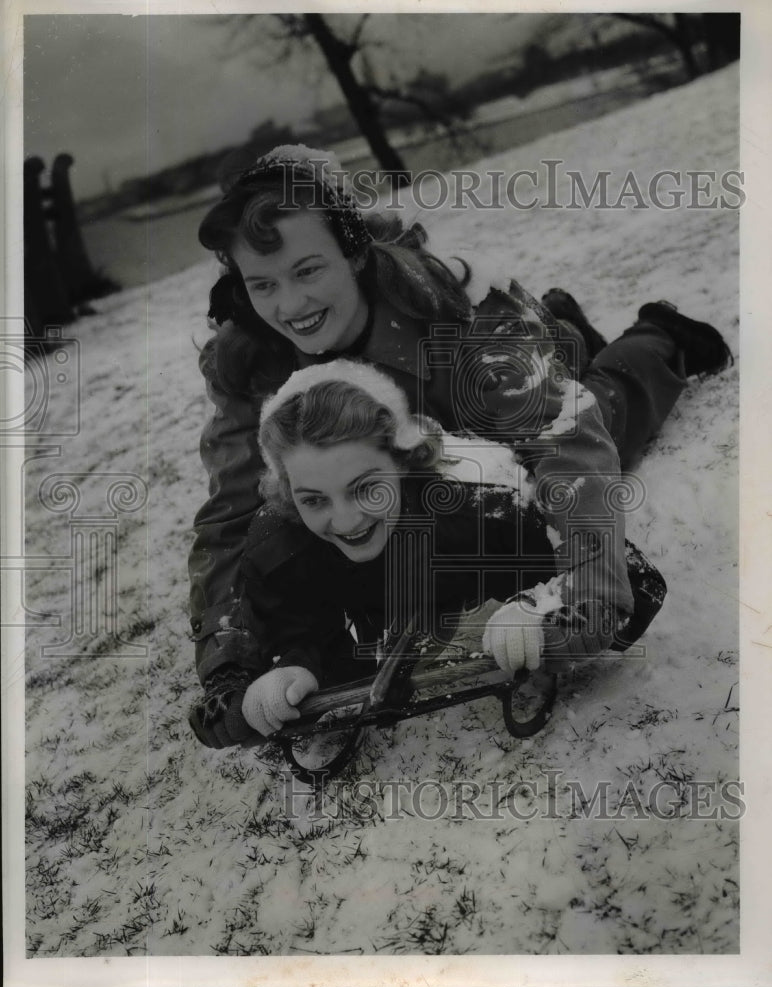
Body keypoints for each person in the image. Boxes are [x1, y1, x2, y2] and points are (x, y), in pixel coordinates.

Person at [188, 143, 732, 747]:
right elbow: (234, 512)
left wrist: (586, 597)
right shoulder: (246, 357)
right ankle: (565, 325)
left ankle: (657, 336)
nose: (289, 306)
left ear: (354, 250)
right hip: (404, 477)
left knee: (605, 413)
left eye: (309, 270)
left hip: (493, 428)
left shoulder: (457, 305)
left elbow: (563, 440)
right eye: (262, 284)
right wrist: (230, 665)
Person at [189, 360, 668, 746]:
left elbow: (634, 584)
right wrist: (288, 672)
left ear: (403, 462)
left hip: (544, 421)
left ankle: (655, 335)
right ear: (286, 492)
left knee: (614, 395)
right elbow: (275, 641)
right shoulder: (279, 546)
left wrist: (542, 611)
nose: (347, 520)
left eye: (365, 488)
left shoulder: (486, 506)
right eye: (313, 499)